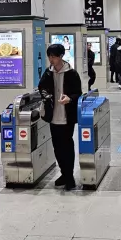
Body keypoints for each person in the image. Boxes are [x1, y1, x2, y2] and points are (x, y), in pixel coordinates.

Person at [38, 43, 83, 190]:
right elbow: (41, 87)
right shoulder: (48, 72)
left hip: (66, 117)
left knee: (67, 146)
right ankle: (64, 173)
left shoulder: (71, 73)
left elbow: (78, 93)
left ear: (61, 56)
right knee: (57, 147)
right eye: (49, 57)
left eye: (54, 57)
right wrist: (46, 95)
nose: (51, 60)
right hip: (53, 116)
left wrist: (69, 99)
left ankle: (69, 177)